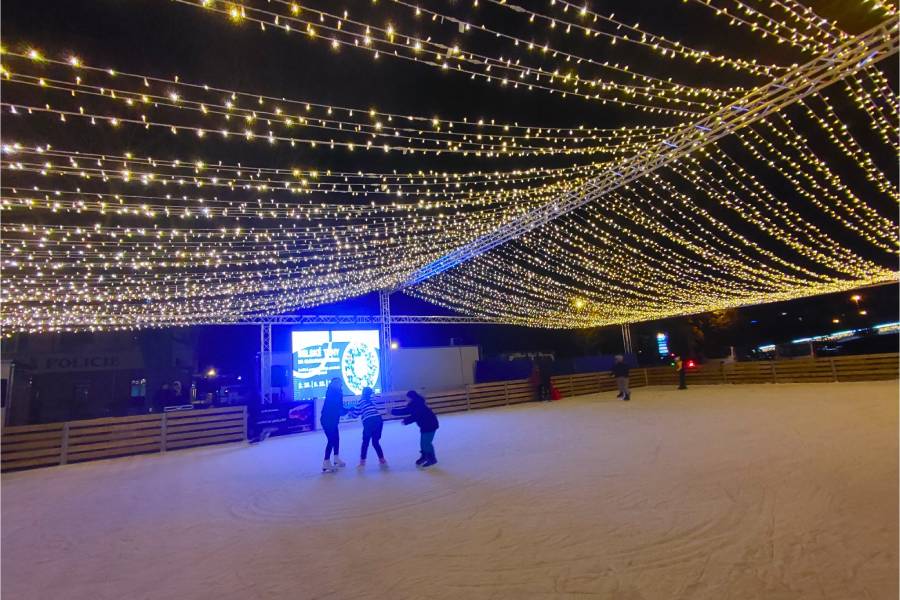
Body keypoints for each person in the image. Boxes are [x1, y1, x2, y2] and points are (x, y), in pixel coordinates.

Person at [391, 390, 439, 467]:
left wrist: (405, 420)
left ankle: (432, 459)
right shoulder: (415, 404)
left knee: (426, 443)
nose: (406, 399)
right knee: (423, 443)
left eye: (407, 397)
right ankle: (424, 457)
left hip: (430, 425)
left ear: (411, 398)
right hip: (426, 425)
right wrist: (394, 412)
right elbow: (410, 412)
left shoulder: (417, 405)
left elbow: (414, 415)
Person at [348, 386, 387, 468]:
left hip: (369, 421)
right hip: (378, 420)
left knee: (365, 442)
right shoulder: (373, 400)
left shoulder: (361, 401)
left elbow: (355, 414)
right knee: (375, 442)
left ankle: (362, 462)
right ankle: (382, 459)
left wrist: (350, 413)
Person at [320, 378, 348, 473]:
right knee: (331, 440)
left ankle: (336, 459)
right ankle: (326, 461)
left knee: (336, 439)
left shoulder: (338, 393)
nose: (340, 385)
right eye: (338, 383)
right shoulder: (332, 393)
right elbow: (337, 408)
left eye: (340, 383)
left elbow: (339, 408)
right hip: (327, 420)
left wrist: (346, 410)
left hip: (333, 420)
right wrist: (346, 411)